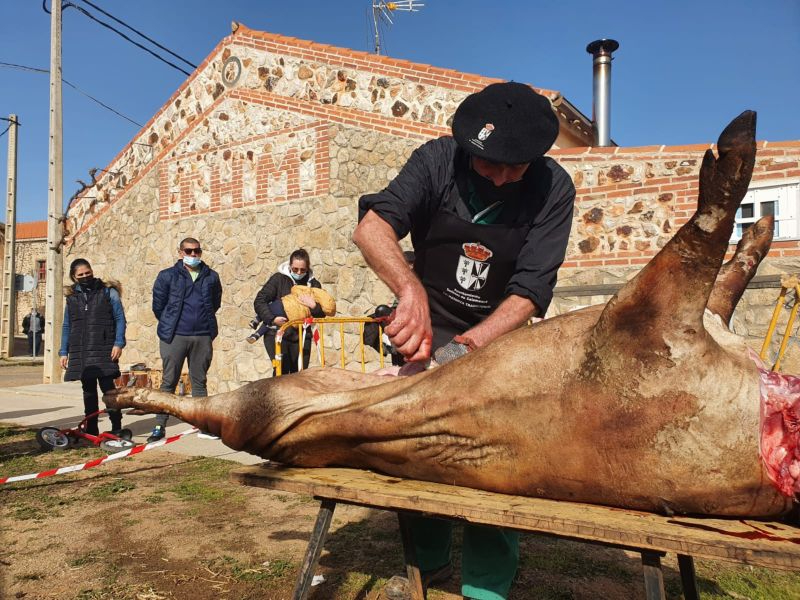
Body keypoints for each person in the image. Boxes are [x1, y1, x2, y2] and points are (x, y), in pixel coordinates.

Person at [352, 82, 576, 600]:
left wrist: (467, 350)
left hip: (500, 334)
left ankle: (486, 587)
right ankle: (426, 567)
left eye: (514, 167)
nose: (499, 177)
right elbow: (372, 228)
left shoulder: (553, 189)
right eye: (487, 164)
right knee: (420, 450)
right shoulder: (436, 161)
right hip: (425, 325)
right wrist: (409, 291)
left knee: (489, 458)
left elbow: (530, 291)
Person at [150, 238, 223, 442]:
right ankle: (159, 425)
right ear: (180, 252)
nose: (193, 255)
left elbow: (215, 303)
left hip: (202, 335)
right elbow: (158, 306)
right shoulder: (167, 276)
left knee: (199, 381)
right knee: (168, 381)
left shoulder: (211, 276)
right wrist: (171, 322)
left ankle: (203, 425)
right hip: (175, 336)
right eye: (189, 251)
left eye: (197, 251)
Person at [59, 259, 126, 436]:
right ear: (74, 277)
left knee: (109, 391)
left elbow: (120, 318)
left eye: (87, 272)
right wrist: (63, 351)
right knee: (88, 392)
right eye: (80, 275)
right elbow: (67, 325)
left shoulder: (108, 292)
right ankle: (92, 428)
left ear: (92, 271)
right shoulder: (72, 299)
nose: (85, 276)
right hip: (81, 351)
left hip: (104, 349)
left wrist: (118, 343)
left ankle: (117, 427)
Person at [254, 249, 327, 375]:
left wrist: (314, 306)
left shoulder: (314, 284)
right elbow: (260, 301)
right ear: (290, 266)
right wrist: (272, 319)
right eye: (295, 269)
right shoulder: (278, 279)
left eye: (302, 270)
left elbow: (323, 312)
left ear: (307, 268)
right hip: (277, 333)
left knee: (299, 376)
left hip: (302, 336)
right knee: (280, 373)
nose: (299, 273)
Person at [246, 285, 336, 344]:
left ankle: (256, 321)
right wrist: (314, 306)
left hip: (286, 305)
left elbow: (294, 288)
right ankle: (256, 334)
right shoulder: (324, 305)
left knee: (271, 308)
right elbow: (326, 312)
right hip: (292, 319)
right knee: (270, 320)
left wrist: (304, 298)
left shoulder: (310, 290)